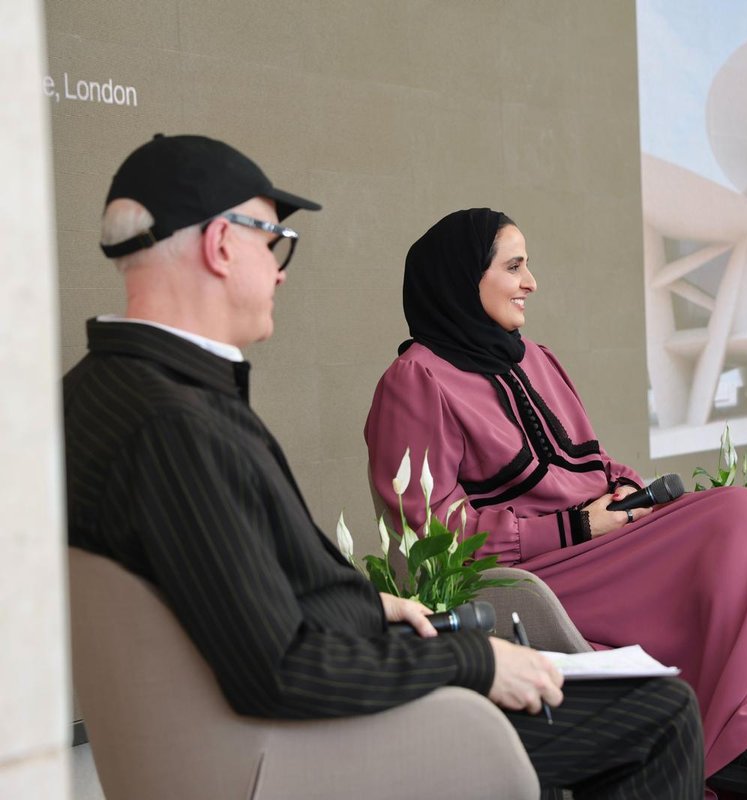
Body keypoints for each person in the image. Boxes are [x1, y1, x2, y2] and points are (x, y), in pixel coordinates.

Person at [64, 134, 705, 800]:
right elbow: (279, 667)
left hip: (233, 736)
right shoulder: (177, 426)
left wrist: (368, 605)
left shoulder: (102, 393)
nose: (280, 271)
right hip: (281, 749)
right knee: (658, 715)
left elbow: (232, 591)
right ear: (221, 244)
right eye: (273, 243)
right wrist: (475, 662)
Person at [364, 209, 747, 800]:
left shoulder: (537, 358)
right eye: (514, 266)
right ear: (462, 279)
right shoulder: (415, 379)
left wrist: (632, 495)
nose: (531, 281)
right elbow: (432, 532)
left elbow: (594, 461)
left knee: (737, 519)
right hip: (530, 578)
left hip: (604, 550)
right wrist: (571, 527)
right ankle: (746, 744)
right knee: (737, 511)